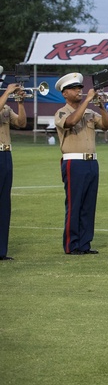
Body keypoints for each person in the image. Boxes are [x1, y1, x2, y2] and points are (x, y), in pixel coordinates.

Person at [54, 72, 108, 255]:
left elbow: (107, 125)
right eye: (74, 88)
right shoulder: (62, 112)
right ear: (65, 93)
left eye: (79, 88)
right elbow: (70, 122)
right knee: (75, 204)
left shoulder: (89, 112)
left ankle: (85, 243)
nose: (78, 91)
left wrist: (101, 105)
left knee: (88, 205)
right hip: (74, 163)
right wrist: (88, 100)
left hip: (91, 163)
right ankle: (72, 245)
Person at [0, 78, 27, 260]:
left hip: (6, 155)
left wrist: (20, 103)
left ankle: (1, 250)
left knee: (4, 204)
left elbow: (22, 123)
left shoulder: (6, 108)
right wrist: (7, 92)